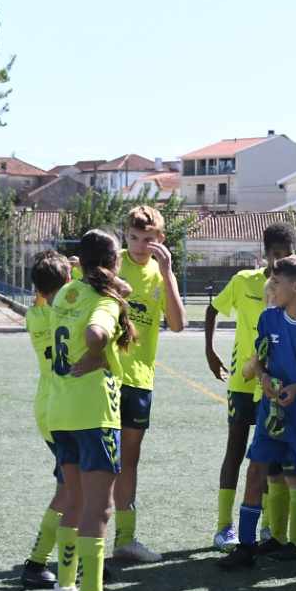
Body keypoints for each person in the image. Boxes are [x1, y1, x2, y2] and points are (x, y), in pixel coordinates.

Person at [218, 256, 296, 575]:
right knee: (255, 471)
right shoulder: (269, 319)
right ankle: (246, 547)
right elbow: (259, 359)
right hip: (270, 411)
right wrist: (263, 378)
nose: (270, 287)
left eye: (276, 282)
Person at [47, 229, 138, 591]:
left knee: (74, 500)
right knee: (99, 508)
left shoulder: (67, 293)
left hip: (61, 410)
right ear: (114, 260)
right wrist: (97, 353)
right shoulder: (105, 300)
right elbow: (96, 333)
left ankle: (65, 587)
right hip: (94, 412)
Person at [206, 223, 296, 551]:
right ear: (265, 253)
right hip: (243, 382)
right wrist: (210, 351)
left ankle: (269, 527)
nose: (279, 261)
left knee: (271, 456)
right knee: (235, 448)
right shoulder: (243, 281)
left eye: (286, 254)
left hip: (274, 384)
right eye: (275, 254)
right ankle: (224, 526)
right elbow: (212, 309)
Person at [111, 205, 186, 564]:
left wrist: (168, 273)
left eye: (148, 239)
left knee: (129, 461)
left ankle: (125, 539)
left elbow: (178, 323)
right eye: (134, 237)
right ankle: (83, 540)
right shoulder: (112, 264)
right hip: (105, 377)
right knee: (97, 463)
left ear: (161, 240)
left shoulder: (161, 273)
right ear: (125, 235)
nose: (140, 245)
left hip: (139, 381)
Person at [18, 250, 74, 589]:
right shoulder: (72, 310)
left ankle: (50, 561)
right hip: (67, 408)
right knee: (71, 489)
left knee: (68, 485)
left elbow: (48, 296)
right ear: (68, 280)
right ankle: (38, 562)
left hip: (46, 408)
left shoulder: (34, 315)